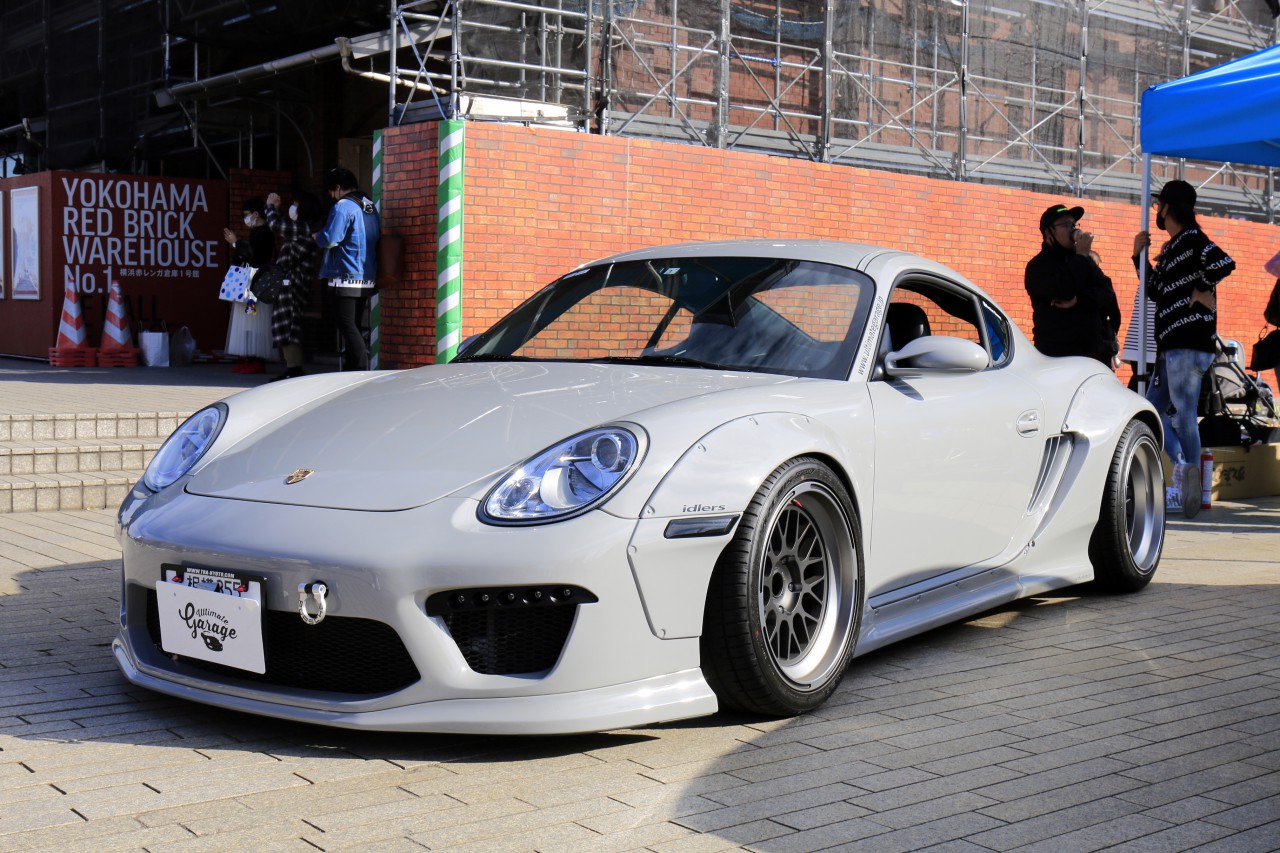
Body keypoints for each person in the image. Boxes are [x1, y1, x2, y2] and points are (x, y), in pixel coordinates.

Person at [1133, 179, 1235, 518]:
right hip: (1171, 344)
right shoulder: (1174, 246)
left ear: (1168, 207)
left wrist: (1200, 287)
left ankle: (1188, 475)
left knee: (1183, 413)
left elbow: (1224, 262)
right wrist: (1139, 256)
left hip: (1188, 342)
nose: (1156, 211)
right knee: (1152, 409)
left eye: (1158, 204)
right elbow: (1154, 290)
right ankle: (1184, 468)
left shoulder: (1192, 240)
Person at [1024, 203, 1120, 366]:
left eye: (1073, 224)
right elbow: (1065, 289)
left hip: (1092, 355)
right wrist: (1081, 257)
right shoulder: (1038, 267)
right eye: (1065, 225)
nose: (1072, 229)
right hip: (1056, 356)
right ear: (1049, 232)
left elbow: (1107, 292)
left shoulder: (1084, 261)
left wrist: (1079, 300)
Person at [315, 167, 380, 371]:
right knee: (354, 325)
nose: (331, 196)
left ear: (338, 187)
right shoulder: (368, 205)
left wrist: (318, 237)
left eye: (331, 191)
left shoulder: (343, 206)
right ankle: (352, 369)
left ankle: (360, 369)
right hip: (367, 273)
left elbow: (331, 238)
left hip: (345, 274)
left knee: (347, 325)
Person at [264, 190, 322, 381]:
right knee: (286, 322)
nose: (293, 207)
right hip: (293, 282)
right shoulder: (303, 228)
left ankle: (294, 369)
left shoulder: (304, 228)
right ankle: (292, 367)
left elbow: (276, 225)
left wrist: (270, 206)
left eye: (296, 204)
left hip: (292, 283)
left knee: (288, 324)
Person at [221, 198, 276, 372]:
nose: (245, 219)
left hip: (256, 284)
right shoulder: (258, 233)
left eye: (247, 215)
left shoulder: (264, 233)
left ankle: (256, 360)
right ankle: (250, 357)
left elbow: (252, 255)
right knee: (249, 317)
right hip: (252, 283)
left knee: (253, 318)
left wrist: (236, 243)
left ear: (256, 214)